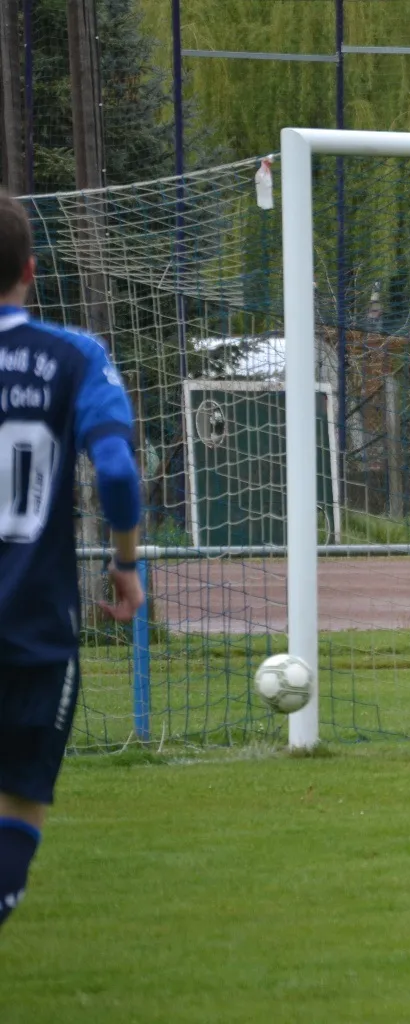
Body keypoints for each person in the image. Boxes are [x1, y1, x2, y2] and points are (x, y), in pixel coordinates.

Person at [0, 192, 144, 930]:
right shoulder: (75, 356)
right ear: (31, 269)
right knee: (19, 805)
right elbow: (115, 471)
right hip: (32, 629)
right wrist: (125, 564)